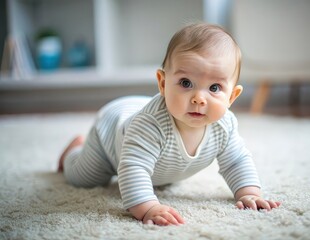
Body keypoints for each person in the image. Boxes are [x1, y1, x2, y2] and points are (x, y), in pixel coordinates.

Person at [58, 23, 280, 226]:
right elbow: (132, 168)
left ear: (232, 96)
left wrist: (249, 193)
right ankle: (74, 150)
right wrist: (148, 207)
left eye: (214, 88)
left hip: (141, 117)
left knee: (157, 177)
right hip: (110, 132)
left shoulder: (225, 124)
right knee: (83, 178)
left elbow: (236, 161)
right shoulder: (149, 126)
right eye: (186, 83)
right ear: (163, 84)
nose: (199, 98)